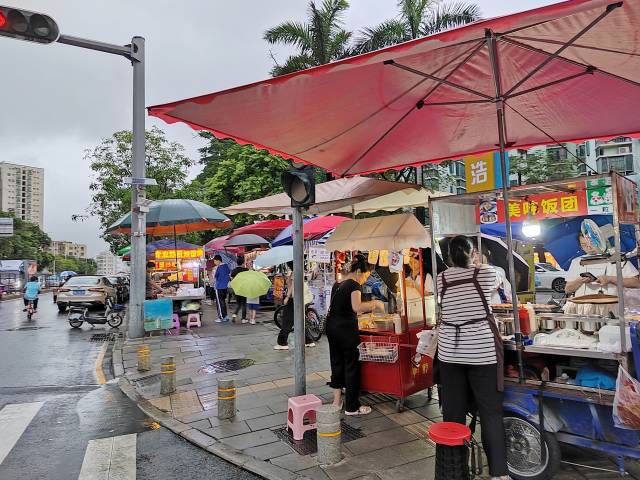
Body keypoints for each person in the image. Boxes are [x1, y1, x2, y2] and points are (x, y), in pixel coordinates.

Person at [437, 235, 508, 480]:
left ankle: (455, 472)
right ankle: (499, 473)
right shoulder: (485, 273)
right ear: (473, 253)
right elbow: (498, 279)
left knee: (453, 415)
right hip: (481, 353)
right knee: (490, 413)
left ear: (449, 257)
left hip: (450, 352)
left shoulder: (441, 278)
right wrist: (477, 262)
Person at [327, 254, 384, 416]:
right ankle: (352, 407)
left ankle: (336, 402)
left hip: (332, 328)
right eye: (365, 276)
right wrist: (375, 303)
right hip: (346, 330)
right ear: (359, 271)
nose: (365, 280)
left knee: (337, 363)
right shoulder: (354, 285)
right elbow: (356, 307)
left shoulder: (338, 283)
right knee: (351, 366)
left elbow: (342, 306)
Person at [564, 231, 639, 320]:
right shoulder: (577, 262)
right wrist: (580, 280)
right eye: (583, 245)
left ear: (601, 240)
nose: (588, 247)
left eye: (591, 243)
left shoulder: (617, 259)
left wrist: (610, 279)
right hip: (583, 310)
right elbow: (568, 289)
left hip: (611, 308)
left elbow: (636, 283)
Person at [275, 262, 315, 350]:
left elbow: (293, 286)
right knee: (299, 320)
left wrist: (287, 297)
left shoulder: (295, 272)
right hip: (298, 298)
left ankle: (282, 343)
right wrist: (287, 278)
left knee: (287, 321)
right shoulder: (296, 271)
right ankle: (308, 340)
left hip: (294, 299)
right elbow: (290, 284)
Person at [212, 255, 231, 323]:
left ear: (218, 260)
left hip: (219, 287)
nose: (214, 262)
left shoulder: (218, 268)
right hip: (225, 287)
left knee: (219, 303)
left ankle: (221, 317)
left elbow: (215, 276)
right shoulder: (226, 266)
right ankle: (225, 316)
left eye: (214, 261)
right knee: (223, 302)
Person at [230, 257, 248, 323]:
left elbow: (232, 280)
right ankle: (243, 319)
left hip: (236, 289)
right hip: (244, 288)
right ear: (243, 263)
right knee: (244, 304)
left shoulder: (234, 271)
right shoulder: (245, 270)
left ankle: (234, 315)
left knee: (238, 304)